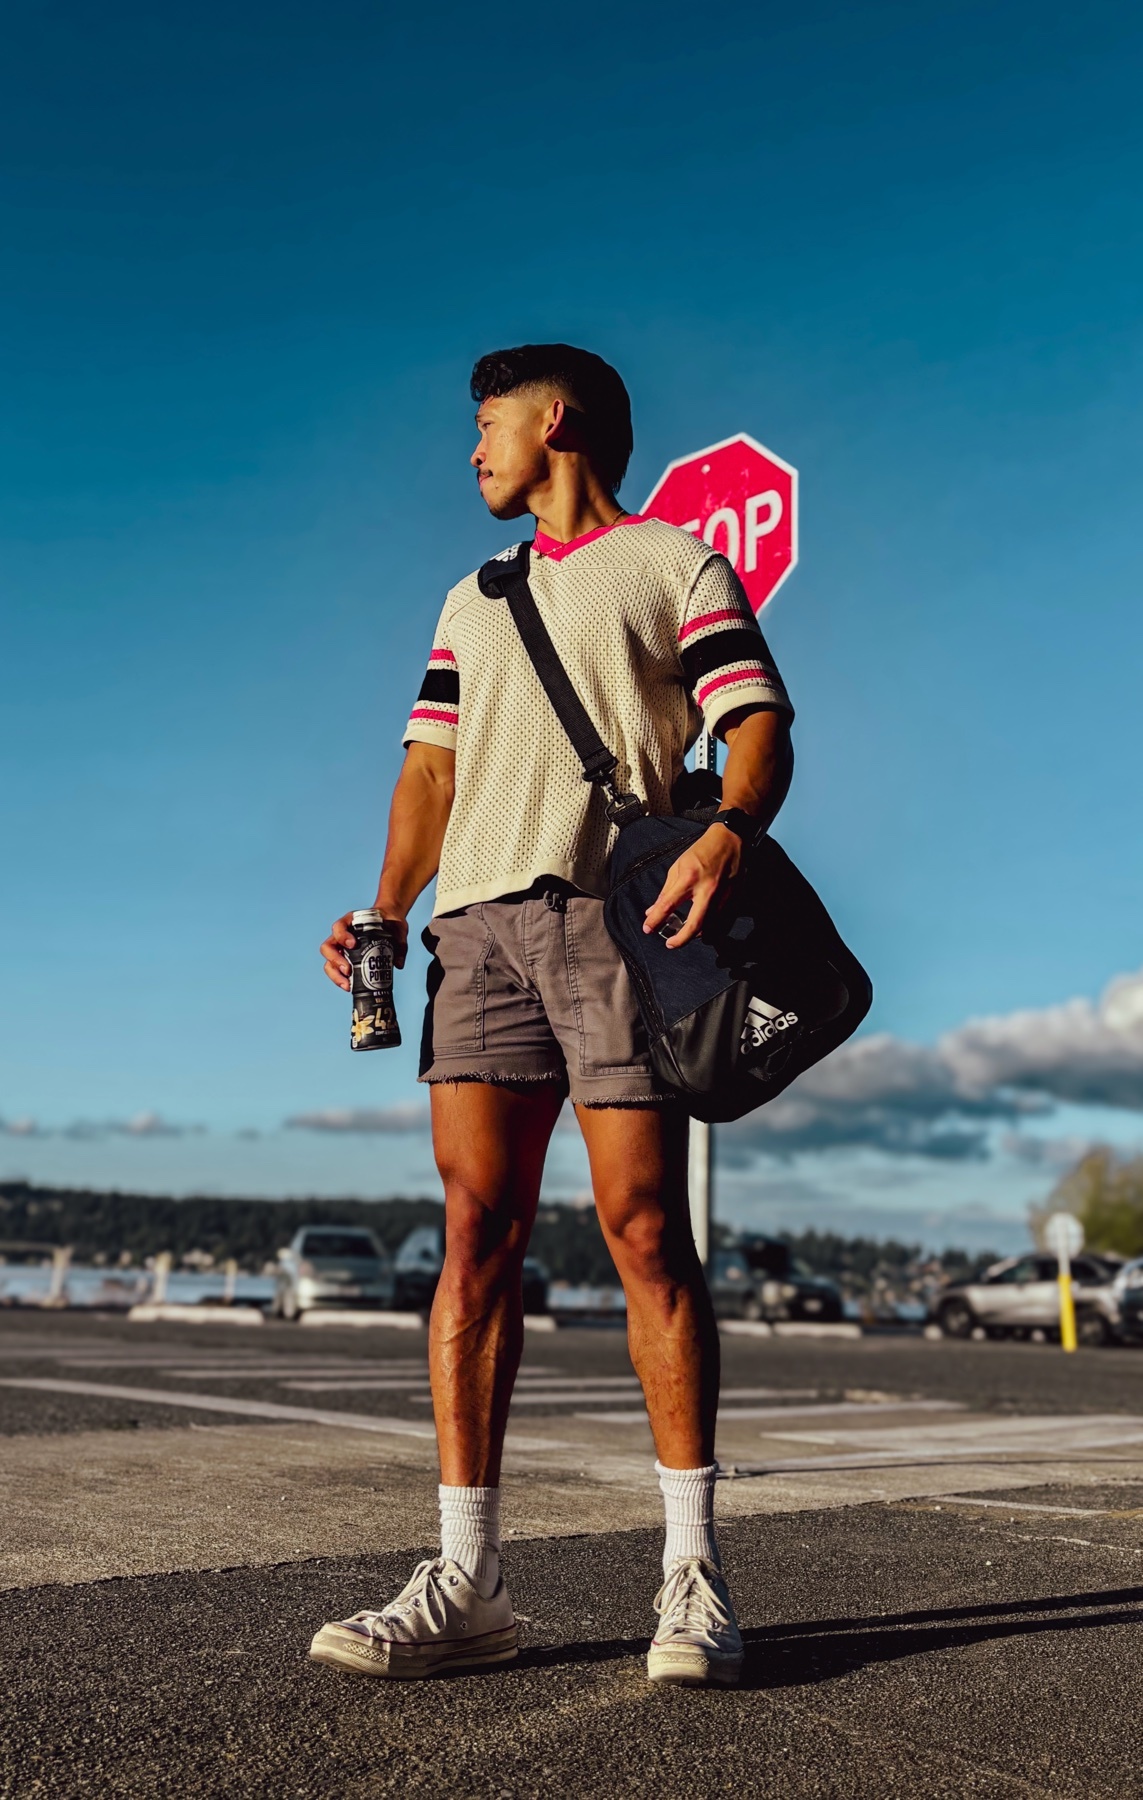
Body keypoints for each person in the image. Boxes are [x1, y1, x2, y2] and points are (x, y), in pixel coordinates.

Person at [311, 344, 794, 1686]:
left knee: (645, 1229)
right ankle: (466, 1580)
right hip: (474, 935)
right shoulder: (472, 597)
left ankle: (691, 1576)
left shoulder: (676, 564)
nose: (472, 453)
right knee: (475, 1233)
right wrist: (387, 910)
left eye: (487, 427)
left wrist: (729, 837)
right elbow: (428, 768)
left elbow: (759, 723)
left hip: (610, 925)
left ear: (557, 424)